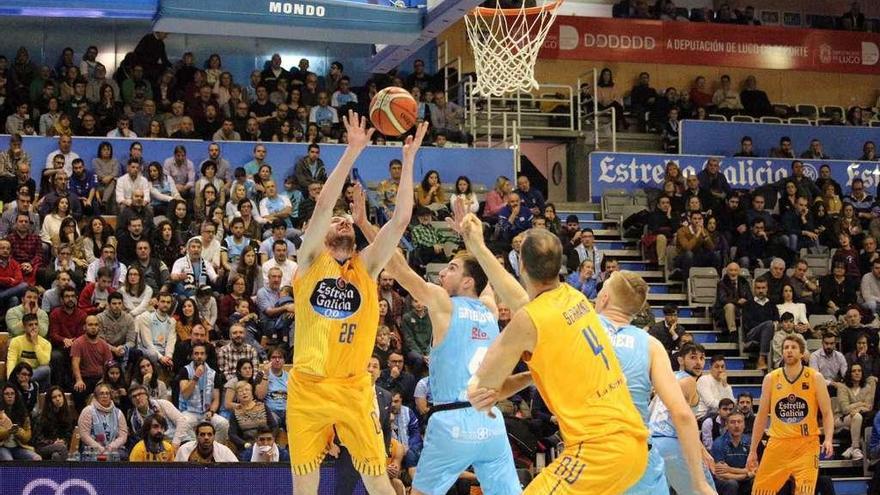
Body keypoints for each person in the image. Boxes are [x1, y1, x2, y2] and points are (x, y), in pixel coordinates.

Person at [286, 113, 426, 495]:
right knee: (305, 485)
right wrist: (351, 152)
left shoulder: (366, 266)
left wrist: (409, 159)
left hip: (353, 388)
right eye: (337, 220)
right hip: (308, 387)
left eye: (347, 218)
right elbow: (321, 208)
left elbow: (399, 221)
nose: (343, 220)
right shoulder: (311, 260)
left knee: (378, 480)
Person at [459, 209, 648, 493]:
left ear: (520, 265)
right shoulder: (575, 298)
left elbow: (483, 391)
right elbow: (523, 301)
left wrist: (480, 388)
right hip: (632, 446)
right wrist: (477, 246)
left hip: (598, 451)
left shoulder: (529, 320)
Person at [354, 194, 520, 494]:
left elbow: (398, 268)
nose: (443, 272)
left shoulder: (444, 304)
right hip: (491, 422)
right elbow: (490, 272)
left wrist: (365, 225)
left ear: (468, 282)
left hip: (451, 421)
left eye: (452, 268)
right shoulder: (491, 308)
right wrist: (471, 238)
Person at [592, 271, 716, 495]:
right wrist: (698, 482)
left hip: (593, 455)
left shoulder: (581, 332)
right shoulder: (651, 344)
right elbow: (683, 415)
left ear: (604, 299)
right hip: (639, 456)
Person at [746, 334, 834, 495]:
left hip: (806, 445)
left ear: (802, 353)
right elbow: (761, 417)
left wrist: (828, 439)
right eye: (786, 347)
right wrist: (752, 450)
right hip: (778, 444)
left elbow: (827, 413)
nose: (789, 351)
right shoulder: (771, 378)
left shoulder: (815, 377)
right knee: (760, 491)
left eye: (793, 347)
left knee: (805, 492)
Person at [177, 342, 229, 443]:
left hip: (206, 412)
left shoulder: (213, 374)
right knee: (183, 423)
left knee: (223, 423)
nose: (199, 356)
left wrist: (212, 411)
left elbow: (216, 399)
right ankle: (196, 449)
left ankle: (214, 450)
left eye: (202, 354)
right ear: (192, 356)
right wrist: (196, 377)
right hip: (189, 411)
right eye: (196, 354)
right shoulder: (185, 371)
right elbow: (185, 394)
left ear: (206, 356)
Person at [71, 315, 115, 410]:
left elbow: (109, 364)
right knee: (78, 391)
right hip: (85, 378)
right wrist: (79, 380)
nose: (93, 327)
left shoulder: (104, 344)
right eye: (90, 325)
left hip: (101, 378)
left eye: (96, 325)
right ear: (84, 327)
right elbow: (75, 363)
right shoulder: (78, 343)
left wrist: (108, 380)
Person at [77, 382, 129, 459]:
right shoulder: (88, 411)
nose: (105, 396)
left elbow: (123, 436)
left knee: (121, 454)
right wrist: (100, 448)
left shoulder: (118, 413)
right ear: (96, 396)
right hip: (92, 449)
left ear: (110, 396)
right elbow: (84, 435)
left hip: (113, 449)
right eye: (101, 393)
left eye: (107, 393)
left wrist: (111, 447)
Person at [836, 362, 875, 461]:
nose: (857, 373)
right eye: (854, 371)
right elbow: (845, 409)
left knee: (857, 416)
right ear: (850, 373)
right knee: (857, 417)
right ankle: (856, 448)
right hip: (841, 419)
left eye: (859, 371)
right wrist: (860, 404)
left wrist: (857, 409)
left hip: (856, 417)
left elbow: (869, 407)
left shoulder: (867, 387)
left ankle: (853, 448)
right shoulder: (842, 387)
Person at [710, 411, 753, 495]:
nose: (736, 425)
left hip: (743, 479)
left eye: (739, 422)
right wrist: (745, 475)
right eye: (732, 422)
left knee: (756, 481)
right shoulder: (719, 443)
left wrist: (730, 469)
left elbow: (754, 469)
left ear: (744, 425)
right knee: (732, 484)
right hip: (724, 481)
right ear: (726, 425)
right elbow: (721, 474)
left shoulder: (750, 441)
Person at [6, 313, 51, 390]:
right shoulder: (16, 341)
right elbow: (11, 361)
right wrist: (10, 379)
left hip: (35, 374)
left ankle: (39, 393)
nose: (34, 327)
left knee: (46, 369)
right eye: (30, 325)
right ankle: (21, 383)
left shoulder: (45, 343)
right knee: (17, 374)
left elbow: (44, 362)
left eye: (36, 324)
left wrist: (35, 344)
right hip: (20, 373)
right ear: (24, 327)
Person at [33, 386, 76, 460]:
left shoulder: (68, 415)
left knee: (56, 456)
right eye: (54, 397)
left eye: (60, 396)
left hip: (60, 446)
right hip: (43, 447)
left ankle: (55, 471)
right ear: (49, 400)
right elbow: (37, 439)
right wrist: (53, 442)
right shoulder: (41, 417)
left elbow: (69, 434)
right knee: (61, 448)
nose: (58, 399)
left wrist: (64, 441)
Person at [0, 385, 41, 460]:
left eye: (12, 394)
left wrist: (17, 431)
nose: (10, 396)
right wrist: (8, 431)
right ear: (2, 396)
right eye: (7, 394)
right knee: (8, 460)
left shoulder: (23, 414)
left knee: (37, 458)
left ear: (16, 396)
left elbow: (27, 437)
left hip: (18, 447)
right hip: (2, 447)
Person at [696, 355, 735, 420]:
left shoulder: (725, 383)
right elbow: (710, 403)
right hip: (704, 416)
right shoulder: (704, 380)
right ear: (710, 367)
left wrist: (725, 385)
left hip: (721, 415)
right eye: (717, 367)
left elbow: (732, 403)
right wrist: (726, 407)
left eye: (722, 367)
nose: (720, 370)